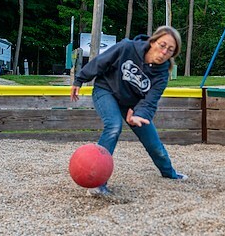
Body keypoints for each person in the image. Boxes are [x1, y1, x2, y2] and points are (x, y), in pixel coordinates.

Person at [70, 25, 188, 197]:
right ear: (152, 41)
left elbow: (150, 100)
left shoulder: (162, 74)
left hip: (132, 106)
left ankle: (169, 173)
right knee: (114, 126)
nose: (164, 52)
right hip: (106, 90)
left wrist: (139, 115)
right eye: (162, 45)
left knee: (154, 145)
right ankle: (98, 184)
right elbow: (102, 61)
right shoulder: (127, 47)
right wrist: (79, 79)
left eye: (170, 50)